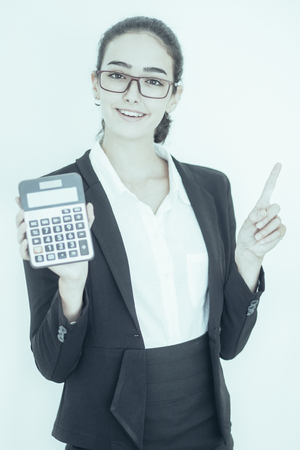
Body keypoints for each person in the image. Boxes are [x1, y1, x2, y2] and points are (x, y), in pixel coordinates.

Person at [16, 16, 286, 450]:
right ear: (95, 84)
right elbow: (53, 365)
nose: (133, 93)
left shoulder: (211, 189)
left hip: (206, 426)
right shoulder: (59, 198)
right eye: (118, 75)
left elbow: (229, 343)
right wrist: (71, 287)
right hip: (104, 432)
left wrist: (248, 262)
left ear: (174, 96)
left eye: (154, 81)